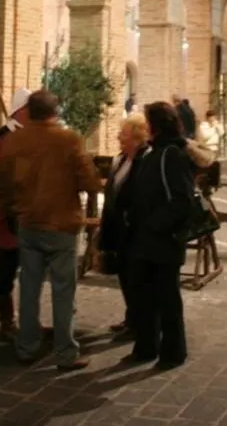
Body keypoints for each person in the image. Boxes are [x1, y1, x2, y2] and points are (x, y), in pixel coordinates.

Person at [0, 90, 101, 371]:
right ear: (56, 111)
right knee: (63, 290)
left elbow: (1, 182)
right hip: (62, 224)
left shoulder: (15, 139)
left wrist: (12, 209)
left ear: (30, 111)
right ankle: (65, 352)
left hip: (28, 223)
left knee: (28, 288)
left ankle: (26, 347)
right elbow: (89, 180)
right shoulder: (68, 139)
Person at [116, 102, 193, 369]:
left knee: (167, 298)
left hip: (162, 239)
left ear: (156, 125)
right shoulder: (155, 152)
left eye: (148, 121)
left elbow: (181, 199)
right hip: (146, 238)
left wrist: (154, 225)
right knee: (144, 296)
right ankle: (146, 347)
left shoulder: (172, 154)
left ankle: (173, 351)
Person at [0, 88, 31, 340]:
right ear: (20, 111)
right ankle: (7, 321)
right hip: (7, 215)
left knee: (31, 272)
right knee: (7, 269)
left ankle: (28, 320)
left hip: (30, 215)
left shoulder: (29, 136)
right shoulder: (0, 139)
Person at [98, 115, 149, 342]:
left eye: (124, 134)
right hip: (117, 228)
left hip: (133, 231)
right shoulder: (121, 160)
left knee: (135, 278)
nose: (119, 137)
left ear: (137, 138)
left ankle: (139, 322)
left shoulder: (143, 161)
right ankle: (131, 317)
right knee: (123, 275)